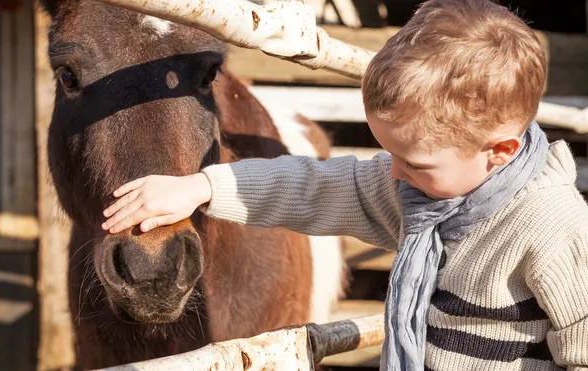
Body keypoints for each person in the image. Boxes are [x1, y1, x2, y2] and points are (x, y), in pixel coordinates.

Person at [100, 0, 588, 369]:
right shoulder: (426, 196)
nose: (394, 173)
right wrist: (202, 188)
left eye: (413, 162)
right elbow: (312, 187)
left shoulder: (552, 225)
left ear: (498, 151)